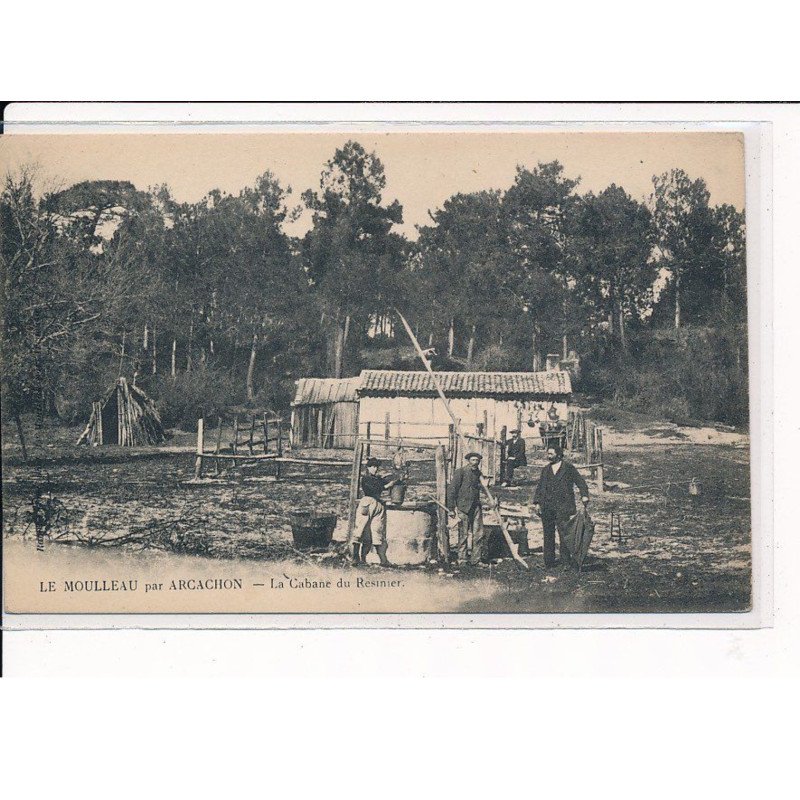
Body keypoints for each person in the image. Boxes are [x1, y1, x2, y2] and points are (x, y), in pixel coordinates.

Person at [531, 443, 589, 569]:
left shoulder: (568, 468)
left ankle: (565, 561)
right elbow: (540, 487)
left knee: (564, 534)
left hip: (563, 506)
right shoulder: (546, 469)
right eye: (548, 453)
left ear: (558, 455)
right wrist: (536, 502)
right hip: (547, 507)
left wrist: (584, 495)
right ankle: (548, 561)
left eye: (551, 454)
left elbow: (581, 482)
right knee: (548, 534)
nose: (548, 456)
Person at [349, 458, 398, 566]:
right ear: (368, 467)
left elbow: (388, 481)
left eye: (376, 467)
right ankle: (356, 558)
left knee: (377, 531)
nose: (375, 469)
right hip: (367, 502)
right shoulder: (366, 479)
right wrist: (386, 486)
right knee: (360, 529)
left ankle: (382, 560)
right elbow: (373, 489)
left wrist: (396, 479)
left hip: (377, 505)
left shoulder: (377, 478)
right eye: (372, 467)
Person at [447, 452, 492, 566]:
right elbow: (452, 490)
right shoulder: (461, 472)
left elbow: (484, 487)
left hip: (476, 506)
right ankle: (462, 558)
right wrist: (451, 508)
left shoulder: (478, 473)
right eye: (473, 460)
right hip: (463, 507)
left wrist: (486, 485)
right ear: (468, 461)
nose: (475, 463)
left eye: (477, 461)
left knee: (478, 533)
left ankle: (476, 560)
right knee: (463, 534)